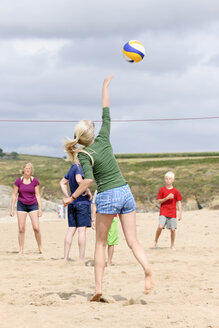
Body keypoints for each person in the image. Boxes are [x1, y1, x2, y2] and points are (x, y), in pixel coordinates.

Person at [63, 75, 153, 301]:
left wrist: (71, 198)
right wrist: (104, 86)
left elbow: (88, 181)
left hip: (108, 195)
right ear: (92, 133)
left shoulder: (82, 154)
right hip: (125, 191)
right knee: (133, 241)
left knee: (101, 243)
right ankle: (148, 270)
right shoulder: (104, 138)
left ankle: (98, 289)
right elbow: (106, 110)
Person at [60, 158, 92, 261]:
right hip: (82, 203)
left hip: (72, 203)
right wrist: (87, 190)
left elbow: (62, 182)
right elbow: (79, 180)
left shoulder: (72, 167)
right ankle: (81, 258)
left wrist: (69, 196)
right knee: (81, 230)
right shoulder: (79, 167)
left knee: (71, 229)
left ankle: (65, 257)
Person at [10, 162, 43, 254]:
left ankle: (40, 248)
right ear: (23, 170)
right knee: (21, 228)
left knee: (36, 228)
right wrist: (12, 208)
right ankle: (21, 250)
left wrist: (40, 208)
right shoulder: (18, 181)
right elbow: (14, 195)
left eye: (30, 168)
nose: (28, 170)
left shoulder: (35, 181)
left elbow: (38, 195)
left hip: (33, 205)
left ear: (31, 170)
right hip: (21, 205)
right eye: (26, 168)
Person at [150, 171, 182, 250]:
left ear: (173, 180)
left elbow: (179, 202)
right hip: (163, 211)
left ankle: (172, 245)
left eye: (170, 179)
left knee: (173, 230)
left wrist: (180, 212)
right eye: (166, 179)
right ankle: (155, 241)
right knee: (160, 226)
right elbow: (158, 201)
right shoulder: (162, 189)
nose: (168, 180)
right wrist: (167, 198)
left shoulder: (175, 191)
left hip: (172, 212)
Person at [92, 190, 119, 266]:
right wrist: (93, 219)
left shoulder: (100, 190)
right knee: (104, 242)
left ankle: (108, 262)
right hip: (105, 217)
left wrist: (93, 219)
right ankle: (106, 262)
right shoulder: (99, 190)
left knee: (108, 242)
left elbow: (94, 205)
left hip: (110, 217)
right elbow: (94, 205)